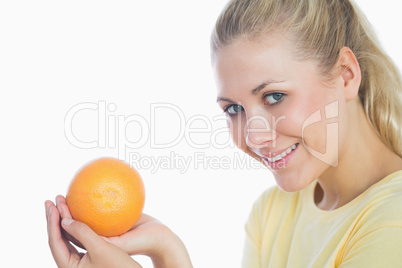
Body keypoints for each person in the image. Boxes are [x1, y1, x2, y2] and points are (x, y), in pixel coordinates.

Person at [45, 0, 402, 267]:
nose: (254, 136)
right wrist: (167, 251)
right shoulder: (272, 213)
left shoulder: (393, 222)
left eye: (274, 97)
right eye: (234, 109)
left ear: (345, 75)